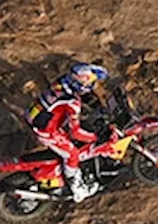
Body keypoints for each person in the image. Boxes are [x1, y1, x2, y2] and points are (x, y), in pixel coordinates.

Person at [25, 62, 111, 202]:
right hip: (46, 131)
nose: (93, 86)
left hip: (34, 115)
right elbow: (75, 132)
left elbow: (82, 95)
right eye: (92, 83)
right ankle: (77, 188)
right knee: (73, 155)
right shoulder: (72, 103)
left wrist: (98, 106)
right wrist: (95, 137)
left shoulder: (62, 81)